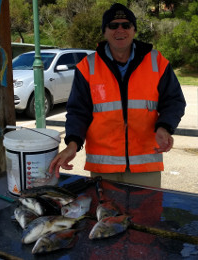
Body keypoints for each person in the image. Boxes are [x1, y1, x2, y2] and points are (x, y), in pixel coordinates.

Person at [49, 3, 186, 188]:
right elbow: (77, 111)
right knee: (106, 216)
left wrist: (165, 127)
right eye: (113, 25)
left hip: (145, 167)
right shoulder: (87, 66)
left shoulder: (157, 61)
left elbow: (174, 101)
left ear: (134, 30)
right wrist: (72, 144)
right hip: (103, 168)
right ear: (104, 32)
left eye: (126, 25)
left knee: (144, 217)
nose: (120, 29)